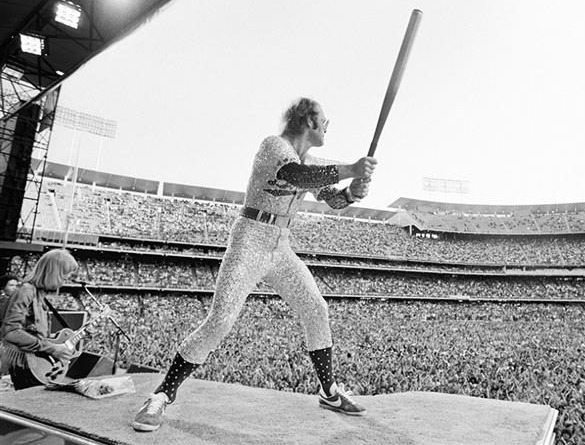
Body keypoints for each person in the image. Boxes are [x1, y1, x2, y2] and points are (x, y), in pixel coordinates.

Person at [133, 97, 377, 431]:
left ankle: (329, 391)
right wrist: (350, 169)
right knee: (220, 320)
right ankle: (161, 394)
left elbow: (333, 200)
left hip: (281, 244)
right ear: (308, 121)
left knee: (316, 308)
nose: (328, 126)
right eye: (325, 120)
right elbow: (297, 176)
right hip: (250, 238)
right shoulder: (273, 146)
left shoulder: (312, 160)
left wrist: (352, 193)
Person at [0, 250, 78, 389]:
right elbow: (10, 332)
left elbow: (34, 332)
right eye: (63, 277)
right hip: (23, 364)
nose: (64, 282)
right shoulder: (26, 291)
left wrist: (56, 344)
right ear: (54, 273)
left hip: (32, 362)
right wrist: (52, 348)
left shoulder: (38, 294)